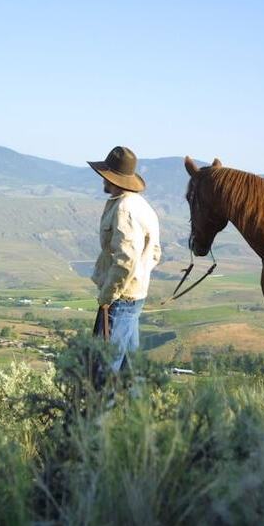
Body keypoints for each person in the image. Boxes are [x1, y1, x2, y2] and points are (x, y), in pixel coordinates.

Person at [87, 146, 161, 377]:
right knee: (131, 370)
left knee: (104, 370)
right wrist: (140, 276)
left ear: (112, 177)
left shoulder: (125, 209)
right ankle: (136, 412)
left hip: (121, 299)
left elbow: (125, 260)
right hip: (134, 296)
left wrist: (109, 295)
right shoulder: (142, 206)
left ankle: (97, 413)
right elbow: (155, 253)